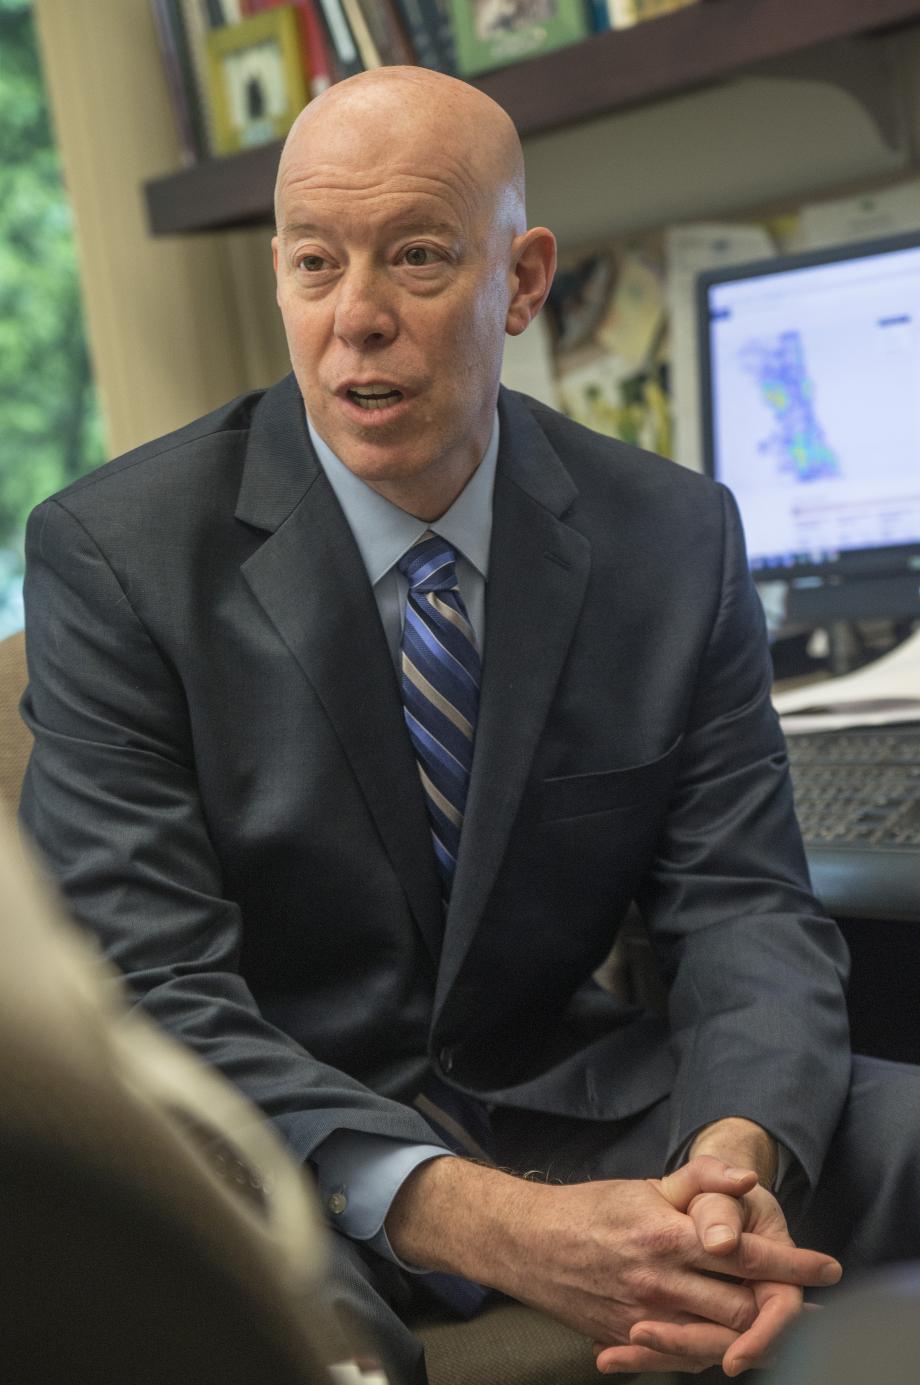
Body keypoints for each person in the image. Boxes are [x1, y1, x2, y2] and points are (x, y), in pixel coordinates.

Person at [19, 66, 920, 1385]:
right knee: (261, 1326)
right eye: (315, 264)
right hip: (276, 1133)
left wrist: (735, 1164)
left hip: (572, 1095)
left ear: (524, 277)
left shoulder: (670, 536)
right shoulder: (117, 557)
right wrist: (507, 1225)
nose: (358, 320)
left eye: (420, 257)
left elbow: (744, 905)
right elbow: (153, 993)